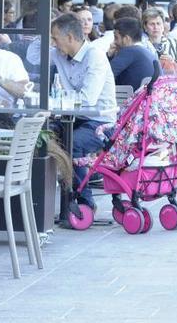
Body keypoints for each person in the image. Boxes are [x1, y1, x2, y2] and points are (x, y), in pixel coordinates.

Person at [50, 13, 117, 209]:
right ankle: (50, 200)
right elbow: (33, 56)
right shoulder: (59, 53)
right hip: (74, 118)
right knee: (44, 137)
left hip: (101, 122)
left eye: (55, 38)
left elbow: (88, 99)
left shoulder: (94, 55)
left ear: (70, 37)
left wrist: (58, 100)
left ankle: (84, 202)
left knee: (73, 144)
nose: (52, 43)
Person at [142, 7, 177, 81]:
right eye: (152, 24)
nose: (155, 27)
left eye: (158, 23)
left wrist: (173, 62)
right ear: (145, 27)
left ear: (163, 26)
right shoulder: (141, 45)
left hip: (172, 84)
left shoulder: (174, 44)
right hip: (147, 84)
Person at [109, 18, 157, 91]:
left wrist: (109, 56)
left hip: (130, 99)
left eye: (116, 38)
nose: (114, 42)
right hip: (147, 99)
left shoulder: (129, 51)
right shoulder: (148, 51)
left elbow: (106, 74)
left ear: (126, 39)